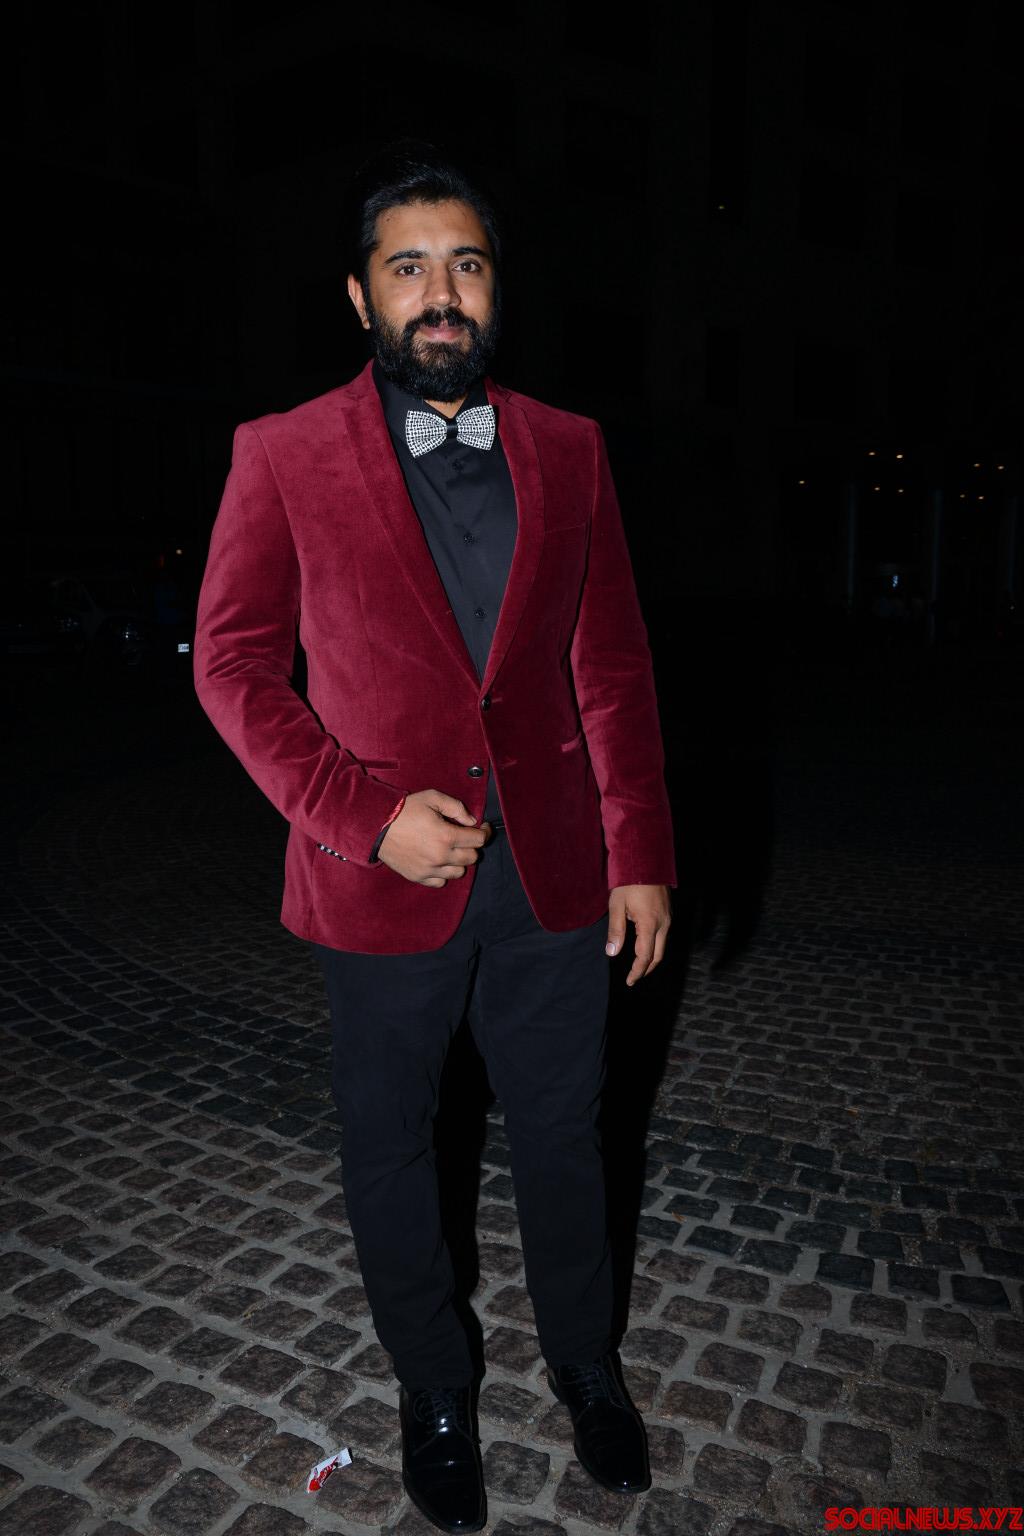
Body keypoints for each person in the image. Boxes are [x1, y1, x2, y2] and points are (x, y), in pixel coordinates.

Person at [193, 141, 676, 1535]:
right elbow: (232, 667)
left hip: (555, 872)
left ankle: (586, 1364)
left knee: (567, 1135)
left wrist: (641, 848)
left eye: (465, 264)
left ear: (495, 287)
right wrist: (363, 818)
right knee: (391, 1145)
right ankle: (435, 1390)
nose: (441, 291)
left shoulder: (571, 449)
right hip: (379, 880)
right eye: (409, 268)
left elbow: (612, 666)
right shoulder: (282, 452)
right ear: (361, 296)